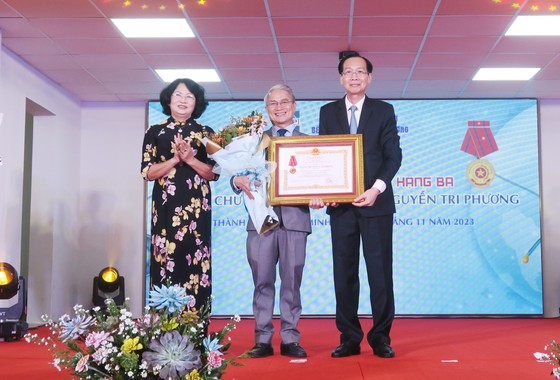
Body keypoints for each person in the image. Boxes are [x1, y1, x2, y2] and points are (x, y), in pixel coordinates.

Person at [312, 53, 402, 358]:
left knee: (380, 273)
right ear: (340, 78)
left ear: (369, 78)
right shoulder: (328, 112)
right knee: (344, 273)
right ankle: (349, 337)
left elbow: (393, 156)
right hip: (341, 207)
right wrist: (327, 190)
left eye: (360, 72)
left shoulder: (384, 111)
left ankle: (381, 337)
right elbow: (323, 155)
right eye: (348, 72)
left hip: (376, 203)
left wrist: (376, 189)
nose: (354, 76)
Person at [231, 84, 311, 358]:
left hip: (295, 220)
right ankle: (262, 339)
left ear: (294, 105)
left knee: (291, 283)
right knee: (262, 282)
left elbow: (319, 180)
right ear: (266, 109)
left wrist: (320, 195)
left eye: (284, 102)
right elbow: (234, 172)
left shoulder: (309, 142)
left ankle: (290, 338)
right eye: (273, 103)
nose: (279, 107)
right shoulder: (251, 142)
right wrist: (235, 179)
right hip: (260, 221)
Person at [141, 78, 218, 311]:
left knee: (196, 261)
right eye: (178, 95)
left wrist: (190, 159)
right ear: (169, 99)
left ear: (197, 103)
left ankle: (196, 328)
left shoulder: (207, 133)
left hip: (197, 210)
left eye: (189, 97)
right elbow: (147, 172)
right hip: (165, 208)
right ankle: (162, 330)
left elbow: (214, 174)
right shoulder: (155, 132)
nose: (183, 101)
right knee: (165, 261)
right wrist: (175, 159)